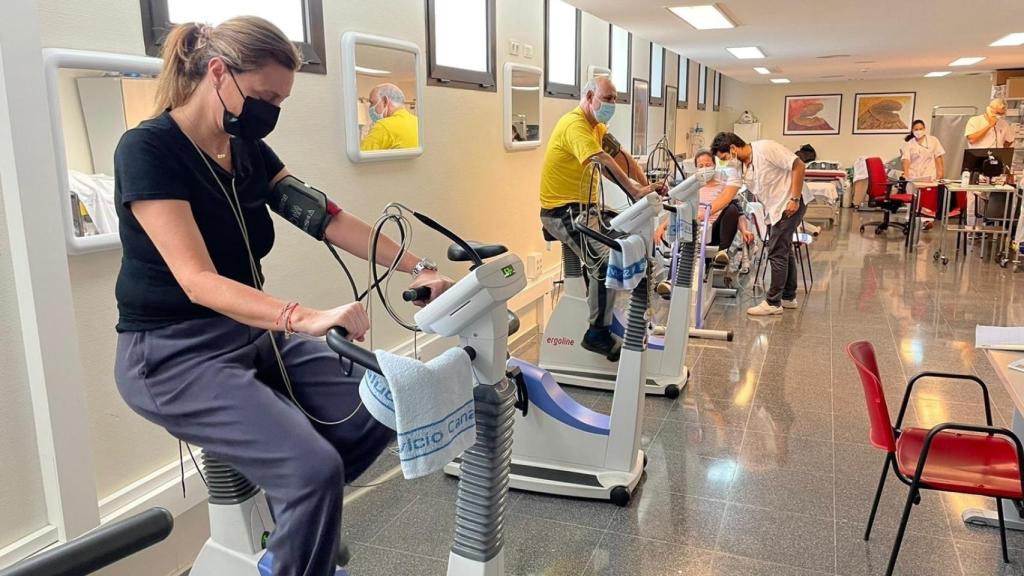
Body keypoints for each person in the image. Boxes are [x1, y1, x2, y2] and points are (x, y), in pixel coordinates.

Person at [111, 18, 452, 576]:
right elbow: (197, 280)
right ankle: (299, 530)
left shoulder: (248, 149)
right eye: (265, 96)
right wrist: (305, 317)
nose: (270, 110)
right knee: (312, 471)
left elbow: (328, 219)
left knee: (381, 401)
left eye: (280, 100)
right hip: (172, 356)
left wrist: (421, 266)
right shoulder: (148, 149)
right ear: (217, 73)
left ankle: (293, 539)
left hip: (250, 336)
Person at [539, 76, 664, 356]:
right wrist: (634, 190)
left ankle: (614, 313)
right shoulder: (574, 125)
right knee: (604, 261)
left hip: (586, 208)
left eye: (615, 99)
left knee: (626, 243)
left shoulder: (597, 127)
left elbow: (620, 157)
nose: (612, 104)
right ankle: (597, 333)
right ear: (589, 97)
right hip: (562, 210)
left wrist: (646, 189)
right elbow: (603, 161)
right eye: (606, 98)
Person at [711, 132, 811, 316]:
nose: (724, 163)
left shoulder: (765, 148)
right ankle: (788, 297)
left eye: (724, 158)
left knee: (776, 250)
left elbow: (799, 165)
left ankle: (773, 303)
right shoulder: (738, 166)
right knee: (784, 249)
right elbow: (729, 193)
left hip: (792, 201)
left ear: (733, 148)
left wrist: (795, 199)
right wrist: (708, 211)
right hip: (775, 207)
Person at [964, 99, 1016, 229]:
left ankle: (991, 229)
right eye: (997, 112)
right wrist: (989, 126)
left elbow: (1009, 141)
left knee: (994, 199)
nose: (999, 115)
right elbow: (972, 139)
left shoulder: (1004, 124)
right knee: (974, 200)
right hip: (977, 166)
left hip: (996, 167)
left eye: (1002, 113)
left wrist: (1002, 153)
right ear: (989, 109)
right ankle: (972, 229)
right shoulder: (975, 121)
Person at [900, 119, 946, 230]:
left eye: (921, 129)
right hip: (914, 174)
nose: (919, 131)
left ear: (924, 129)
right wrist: (906, 172)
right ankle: (909, 218)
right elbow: (906, 159)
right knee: (913, 197)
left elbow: (938, 156)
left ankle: (927, 221)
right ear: (912, 131)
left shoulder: (933, 140)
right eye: (916, 129)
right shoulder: (909, 144)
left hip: (929, 173)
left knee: (928, 198)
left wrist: (941, 171)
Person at [360, 83, 418, 150]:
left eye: (372, 103)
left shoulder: (383, 126)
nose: (370, 107)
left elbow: (361, 157)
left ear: (385, 101)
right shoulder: (417, 122)